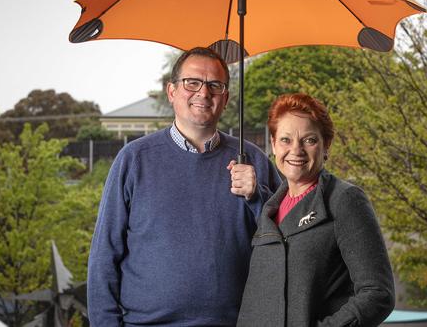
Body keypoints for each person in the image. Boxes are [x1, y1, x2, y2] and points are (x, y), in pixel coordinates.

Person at [87, 47, 281, 326]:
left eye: (215, 85)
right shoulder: (134, 160)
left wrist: (257, 197)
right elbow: (104, 255)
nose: (204, 93)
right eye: (193, 83)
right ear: (172, 92)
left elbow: (285, 245)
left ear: (225, 98)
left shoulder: (254, 162)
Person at [237, 93, 395, 327]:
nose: (296, 150)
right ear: (273, 144)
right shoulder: (270, 211)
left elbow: (378, 294)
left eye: (309, 140)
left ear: (326, 145)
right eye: (285, 140)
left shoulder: (345, 200)